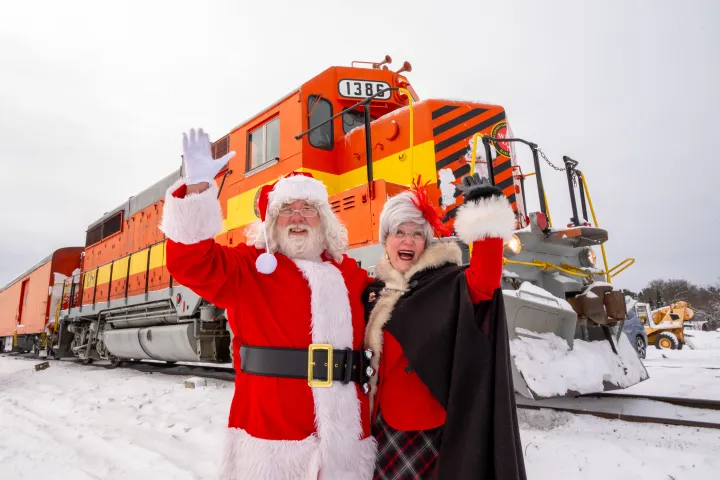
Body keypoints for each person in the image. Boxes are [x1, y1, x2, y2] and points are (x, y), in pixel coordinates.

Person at [159, 128, 377, 479]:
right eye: (286, 210)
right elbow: (190, 263)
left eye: (308, 208)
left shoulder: (349, 273)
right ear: (271, 222)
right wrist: (198, 190)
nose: (297, 217)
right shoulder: (248, 267)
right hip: (270, 443)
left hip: (345, 443)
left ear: (324, 219)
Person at [362, 176, 527, 479]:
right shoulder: (375, 289)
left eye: (416, 234)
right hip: (379, 423)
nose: (407, 241)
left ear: (426, 242)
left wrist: (485, 215)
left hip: (424, 424)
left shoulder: (446, 283)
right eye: (399, 232)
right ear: (386, 240)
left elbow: (485, 283)